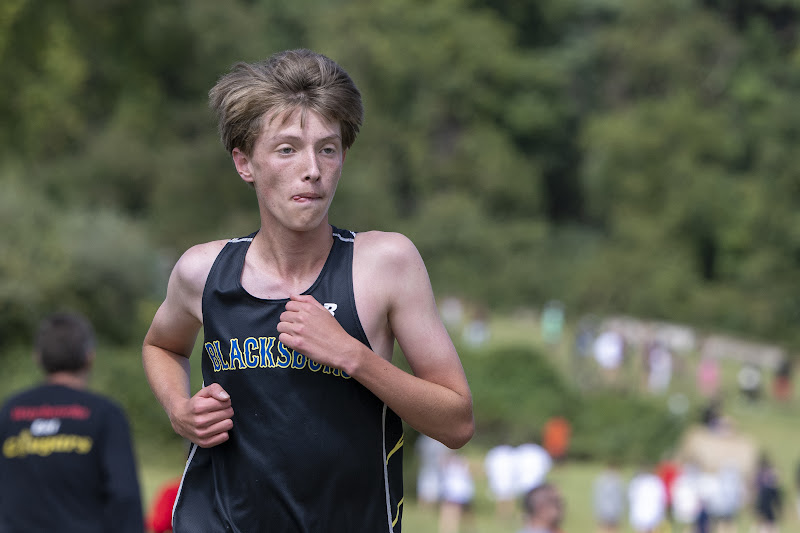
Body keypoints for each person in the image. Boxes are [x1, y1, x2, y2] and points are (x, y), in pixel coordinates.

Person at [142, 48, 475, 532]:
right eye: (287, 149)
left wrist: (353, 355)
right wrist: (179, 409)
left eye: (327, 148)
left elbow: (457, 422)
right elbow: (161, 345)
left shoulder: (386, 264)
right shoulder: (201, 270)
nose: (312, 169)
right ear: (245, 162)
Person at [0, 312, 144, 532]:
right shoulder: (105, 414)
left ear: (38, 357)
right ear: (90, 357)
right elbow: (125, 496)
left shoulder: (10, 411)